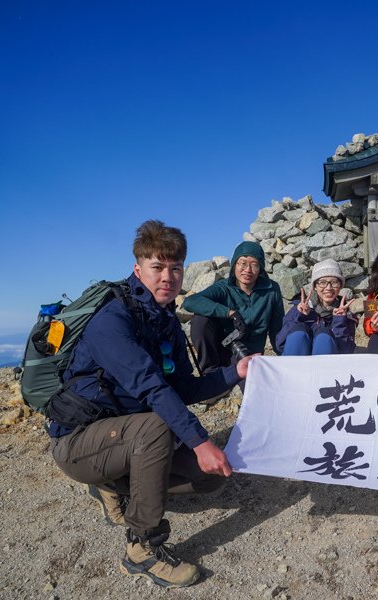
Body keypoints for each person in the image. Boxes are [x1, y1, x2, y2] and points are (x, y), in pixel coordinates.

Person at [49, 220, 253, 588]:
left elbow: (183, 388)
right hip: (77, 441)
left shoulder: (164, 321)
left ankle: (112, 484)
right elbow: (153, 389)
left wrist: (234, 371)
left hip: (124, 436)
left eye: (175, 268)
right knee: (159, 425)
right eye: (157, 267)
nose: (168, 277)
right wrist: (200, 442)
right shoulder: (112, 320)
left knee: (210, 480)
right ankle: (141, 547)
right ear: (137, 268)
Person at [182, 241, 284, 373]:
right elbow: (190, 302)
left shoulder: (272, 290)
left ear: (261, 269)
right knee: (201, 320)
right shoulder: (224, 287)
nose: (248, 269)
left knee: (251, 388)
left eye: (254, 264)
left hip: (249, 354)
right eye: (242, 263)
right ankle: (210, 371)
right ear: (234, 265)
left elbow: (277, 328)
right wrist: (228, 312)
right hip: (222, 348)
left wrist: (285, 358)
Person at [275, 259, 357, 355]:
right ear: (315, 286)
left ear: (340, 286)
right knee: (298, 333)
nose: (328, 288)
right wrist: (299, 316)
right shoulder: (300, 308)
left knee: (324, 336)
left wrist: (339, 321)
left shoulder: (345, 314)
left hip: (327, 366)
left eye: (334, 282)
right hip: (297, 364)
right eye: (322, 282)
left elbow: (347, 352)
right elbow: (280, 344)